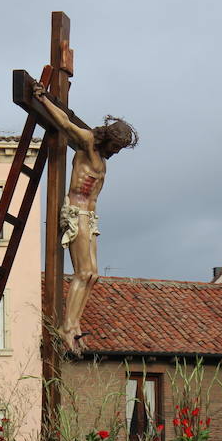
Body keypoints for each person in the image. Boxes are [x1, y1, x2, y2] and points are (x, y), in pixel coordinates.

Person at [33, 83, 138, 353]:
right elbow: (66, 124)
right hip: (76, 211)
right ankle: (67, 326)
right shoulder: (89, 144)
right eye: (115, 146)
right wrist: (43, 99)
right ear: (107, 139)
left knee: (93, 275)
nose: (115, 152)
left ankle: (74, 323)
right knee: (83, 272)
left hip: (90, 217)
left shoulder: (101, 158)